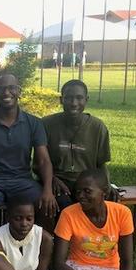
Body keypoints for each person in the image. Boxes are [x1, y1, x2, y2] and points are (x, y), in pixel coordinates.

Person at [0, 74, 57, 219]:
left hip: (23, 180)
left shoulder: (34, 123)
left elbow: (44, 160)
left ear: (19, 91)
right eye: (1, 89)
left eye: (11, 88)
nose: (6, 93)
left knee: (46, 205)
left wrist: (47, 190)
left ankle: (43, 241)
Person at [43, 79, 118, 210]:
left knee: (107, 202)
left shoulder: (97, 127)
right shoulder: (46, 124)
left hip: (87, 182)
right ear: (61, 99)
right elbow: (39, 164)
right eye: (69, 98)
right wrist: (52, 180)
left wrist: (106, 185)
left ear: (86, 99)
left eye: (79, 98)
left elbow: (101, 164)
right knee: (63, 204)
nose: (74, 103)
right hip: (57, 181)